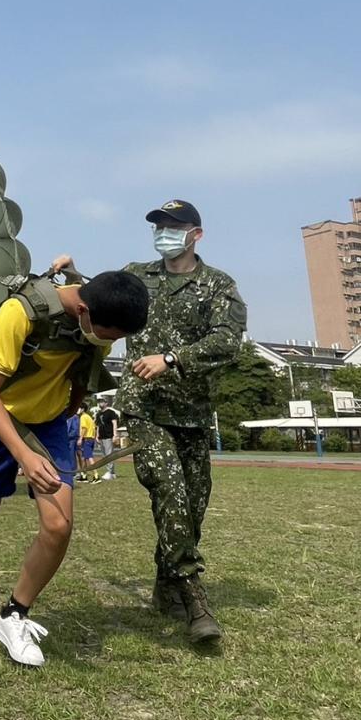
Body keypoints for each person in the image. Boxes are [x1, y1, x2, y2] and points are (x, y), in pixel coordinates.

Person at [0, 267, 149, 667]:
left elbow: (82, 374)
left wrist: (71, 409)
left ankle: (14, 614)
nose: (111, 343)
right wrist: (23, 454)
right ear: (85, 310)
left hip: (51, 427)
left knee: (58, 526)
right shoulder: (20, 313)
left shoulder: (97, 327)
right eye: (110, 335)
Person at [115, 199, 246, 643]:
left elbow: (228, 341)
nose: (164, 233)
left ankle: (165, 583)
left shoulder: (217, 285)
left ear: (196, 234)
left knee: (192, 505)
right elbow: (103, 300)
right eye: (159, 226)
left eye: (174, 226)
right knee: (169, 490)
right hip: (144, 407)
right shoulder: (137, 274)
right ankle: (194, 599)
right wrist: (73, 274)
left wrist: (172, 358)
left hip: (190, 413)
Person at [96, 400, 119, 480]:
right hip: (101, 436)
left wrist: (115, 435)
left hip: (109, 436)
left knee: (109, 454)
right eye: (99, 402)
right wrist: (97, 435)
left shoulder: (110, 412)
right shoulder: (98, 414)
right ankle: (111, 472)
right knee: (104, 455)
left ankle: (110, 472)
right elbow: (98, 425)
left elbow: (114, 423)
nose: (100, 404)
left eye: (102, 402)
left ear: (106, 403)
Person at [76, 405, 98, 481]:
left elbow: (84, 428)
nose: (77, 410)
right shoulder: (89, 417)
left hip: (86, 439)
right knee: (83, 457)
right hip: (91, 438)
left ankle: (96, 476)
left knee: (89, 457)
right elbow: (94, 427)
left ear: (82, 409)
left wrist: (80, 438)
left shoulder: (83, 417)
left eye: (78, 408)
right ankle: (84, 475)